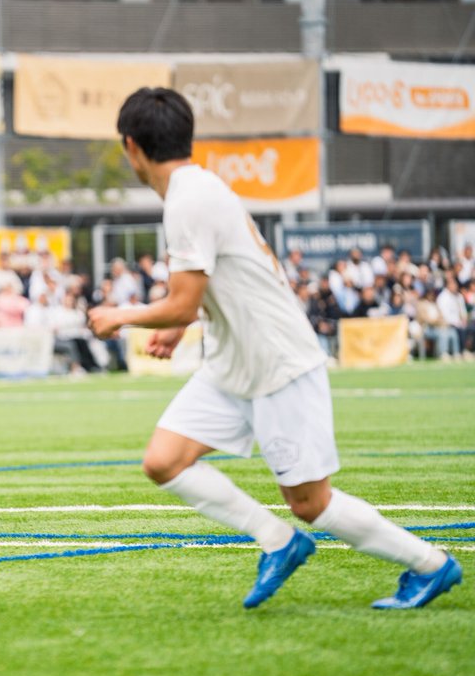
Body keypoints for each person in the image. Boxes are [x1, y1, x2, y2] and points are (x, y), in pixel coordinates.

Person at [88, 87, 461, 610]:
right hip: (234, 361)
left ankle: (431, 565)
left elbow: (182, 300)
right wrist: (178, 323)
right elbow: (203, 293)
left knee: (311, 503)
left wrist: (120, 315)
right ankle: (277, 541)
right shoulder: (195, 190)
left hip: (277, 364)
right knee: (164, 460)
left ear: (131, 147)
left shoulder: (187, 199)